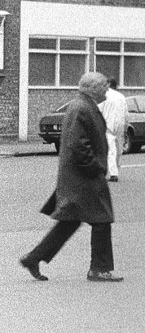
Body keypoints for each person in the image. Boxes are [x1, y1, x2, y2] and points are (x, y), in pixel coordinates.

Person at [20, 72, 123, 282]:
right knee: (102, 219)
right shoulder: (82, 108)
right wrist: (94, 167)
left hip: (78, 176)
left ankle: (34, 257)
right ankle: (99, 269)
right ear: (93, 88)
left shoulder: (81, 105)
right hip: (85, 176)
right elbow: (78, 144)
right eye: (103, 85)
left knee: (70, 221)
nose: (106, 88)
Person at [99, 77, 128, 183]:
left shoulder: (104, 96)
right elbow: (126, 114)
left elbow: (99, 110)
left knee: (111, 149)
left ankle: (113, 173)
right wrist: (125, 128)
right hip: (120, 124)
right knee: (119, 149)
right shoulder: (122, 97)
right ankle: (116, 169)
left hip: (108, 124)